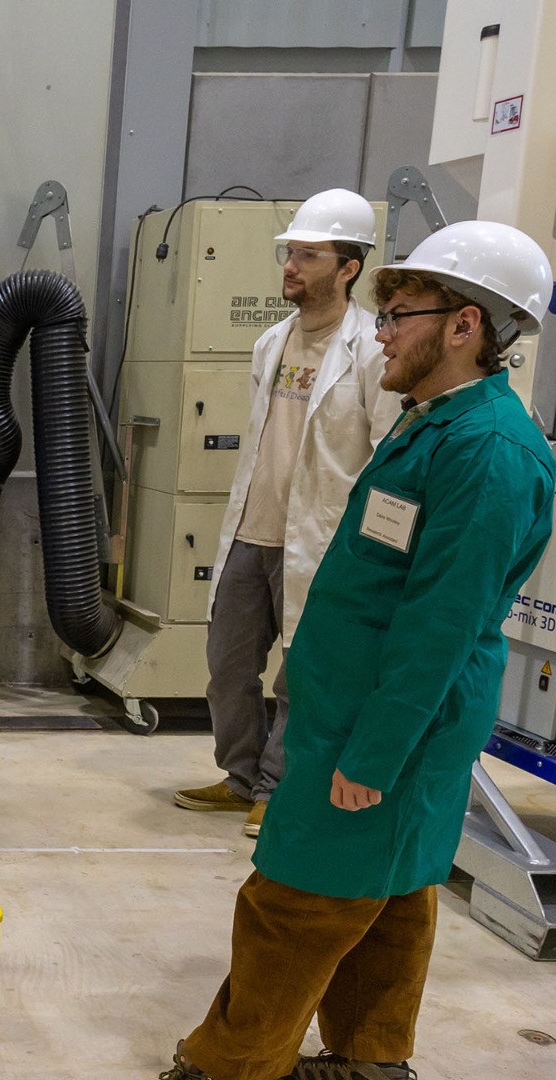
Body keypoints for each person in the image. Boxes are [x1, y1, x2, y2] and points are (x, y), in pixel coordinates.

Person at [161, 219, 556, 1080]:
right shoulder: (438, 421)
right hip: (360, 706)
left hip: (387, 721)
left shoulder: (486, 450)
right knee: (394, 887)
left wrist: (375, 754)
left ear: (467, 326)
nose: (381, 334)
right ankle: (371, 1058)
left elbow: (441, 623)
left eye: (401, 316)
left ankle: (228, 1065)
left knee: (295, 898)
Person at [177, 189, 402, 838]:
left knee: (299, 678)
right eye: (289, 253)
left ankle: (276, 790)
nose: (291, 266)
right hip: (252, 531)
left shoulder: (370, 351)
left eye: (308, 255)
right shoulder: (270, 343)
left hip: (320, 540)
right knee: (227, 667)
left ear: (349, 267)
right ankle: (239, 776)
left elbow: (386, 453)